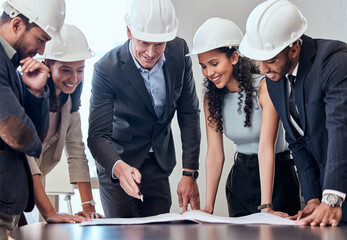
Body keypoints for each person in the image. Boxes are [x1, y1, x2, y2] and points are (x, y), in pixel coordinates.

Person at [88, 0, 201, 218]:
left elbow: (189, 114)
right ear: (129, 31)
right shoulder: (105, 69)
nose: (151, 52)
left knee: (160, 232)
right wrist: (119, 169)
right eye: (144, 43)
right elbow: (97, 136)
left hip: (159, 164)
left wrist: (189, 173)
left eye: (159, 44)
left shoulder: (179, 52)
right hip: (118, 163)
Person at [240, 0, 347, 226]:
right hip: (325, 199)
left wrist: (332, 197)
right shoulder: (274, 80)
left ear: (294, 50)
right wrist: (313, 199)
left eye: (269, 60)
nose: (262, 69)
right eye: (258, 60)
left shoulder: (334, 60)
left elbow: (340, 128)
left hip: (338, 189)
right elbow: (297, 141)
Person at [187, 17, 300, 217]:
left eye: (214, 63)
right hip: (240, 180)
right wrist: (208, 207)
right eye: (203, 66)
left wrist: (267, 207)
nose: (209, 72)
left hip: (278, 177)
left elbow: (266, 147)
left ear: (234, 57)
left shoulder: (266, 87)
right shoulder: (210, 98)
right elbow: (214, 153)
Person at [26, 23, 104, 223]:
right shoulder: (30, 96)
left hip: (31, 188)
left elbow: (77, 153)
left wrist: (88, 207)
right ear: (48, 65)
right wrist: (50, 213)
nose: (74, 78)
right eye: (66, 70)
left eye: (80, 70)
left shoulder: (68, 103)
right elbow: (27, 159)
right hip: (12, 183)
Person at [0, 0, 65, 237]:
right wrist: (29, 143)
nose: (41, 51)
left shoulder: (13, 67)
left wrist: (36, 93)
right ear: (17, 24)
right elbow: (16, 131)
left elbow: (36, 136)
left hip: (10, 201)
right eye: (41, 39)